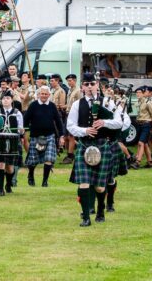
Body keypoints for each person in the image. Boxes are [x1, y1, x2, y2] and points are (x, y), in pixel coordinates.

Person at [67, 73, 123, 227]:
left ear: (97, 85)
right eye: (86, 84)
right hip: (84, 145)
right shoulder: (77, 104)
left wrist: (104, 122)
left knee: (99, 186)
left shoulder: (108, 102)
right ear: (82, 87)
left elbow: (119, 123)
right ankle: (86, 217)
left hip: (102, 145)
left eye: (92, 83)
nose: (89, 87)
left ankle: (100, 209)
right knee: (84, 183)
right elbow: (70, 126)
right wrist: (84, 131)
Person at [24, 86, 65, 187]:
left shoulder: (52, 106)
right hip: (35, 136)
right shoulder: (33, 105)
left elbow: (59, 121)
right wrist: (23, 132)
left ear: (49, 95)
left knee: (49, 158)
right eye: (42, 94)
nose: (44, 96)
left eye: (46, 94)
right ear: (38, 94)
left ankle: (44, 181)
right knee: (33, 161)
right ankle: (31, 175)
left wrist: (61, 135)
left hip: (49, 136)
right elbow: (25, 119)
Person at [0, 90, 24, 196]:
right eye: (4, 98)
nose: (5, 100)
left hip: (13, 141)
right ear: (1, 101)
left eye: (8, 98)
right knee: (0, 164)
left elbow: (20, 128)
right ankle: (0, 189)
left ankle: (8, 185)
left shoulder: (17, 112)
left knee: (10, 168)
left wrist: (21, 131)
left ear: (11, 100)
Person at [63, 74, 82, 164]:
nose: (69, 82)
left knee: (71, 136)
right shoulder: (70, 91)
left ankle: (70, 155)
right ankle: (69, 154)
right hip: (67, 113)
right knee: (66, 136)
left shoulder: (78, 91)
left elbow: (80, 104)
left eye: (70, 80)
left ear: (75, 81)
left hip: (74, 115)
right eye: (68, 81)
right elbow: (69, 103)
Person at [134, 86, 152, 168]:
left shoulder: (148, 102)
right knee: (144, 144)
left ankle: (137, 162)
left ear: (144, 93)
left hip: (146, 124)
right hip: (140, 124)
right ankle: (150, 162)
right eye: (136, 92)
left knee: (140, 143)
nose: (137, 94)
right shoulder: (139, 102)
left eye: (139, 92)